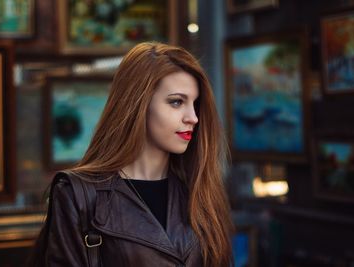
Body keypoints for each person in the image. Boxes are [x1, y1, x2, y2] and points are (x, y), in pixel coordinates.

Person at [29, 42, 233, 267]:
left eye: (195, 104)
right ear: (138, 103)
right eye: (176, 102)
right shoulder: (78, 194)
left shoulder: (200, 190)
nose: (192, 117)